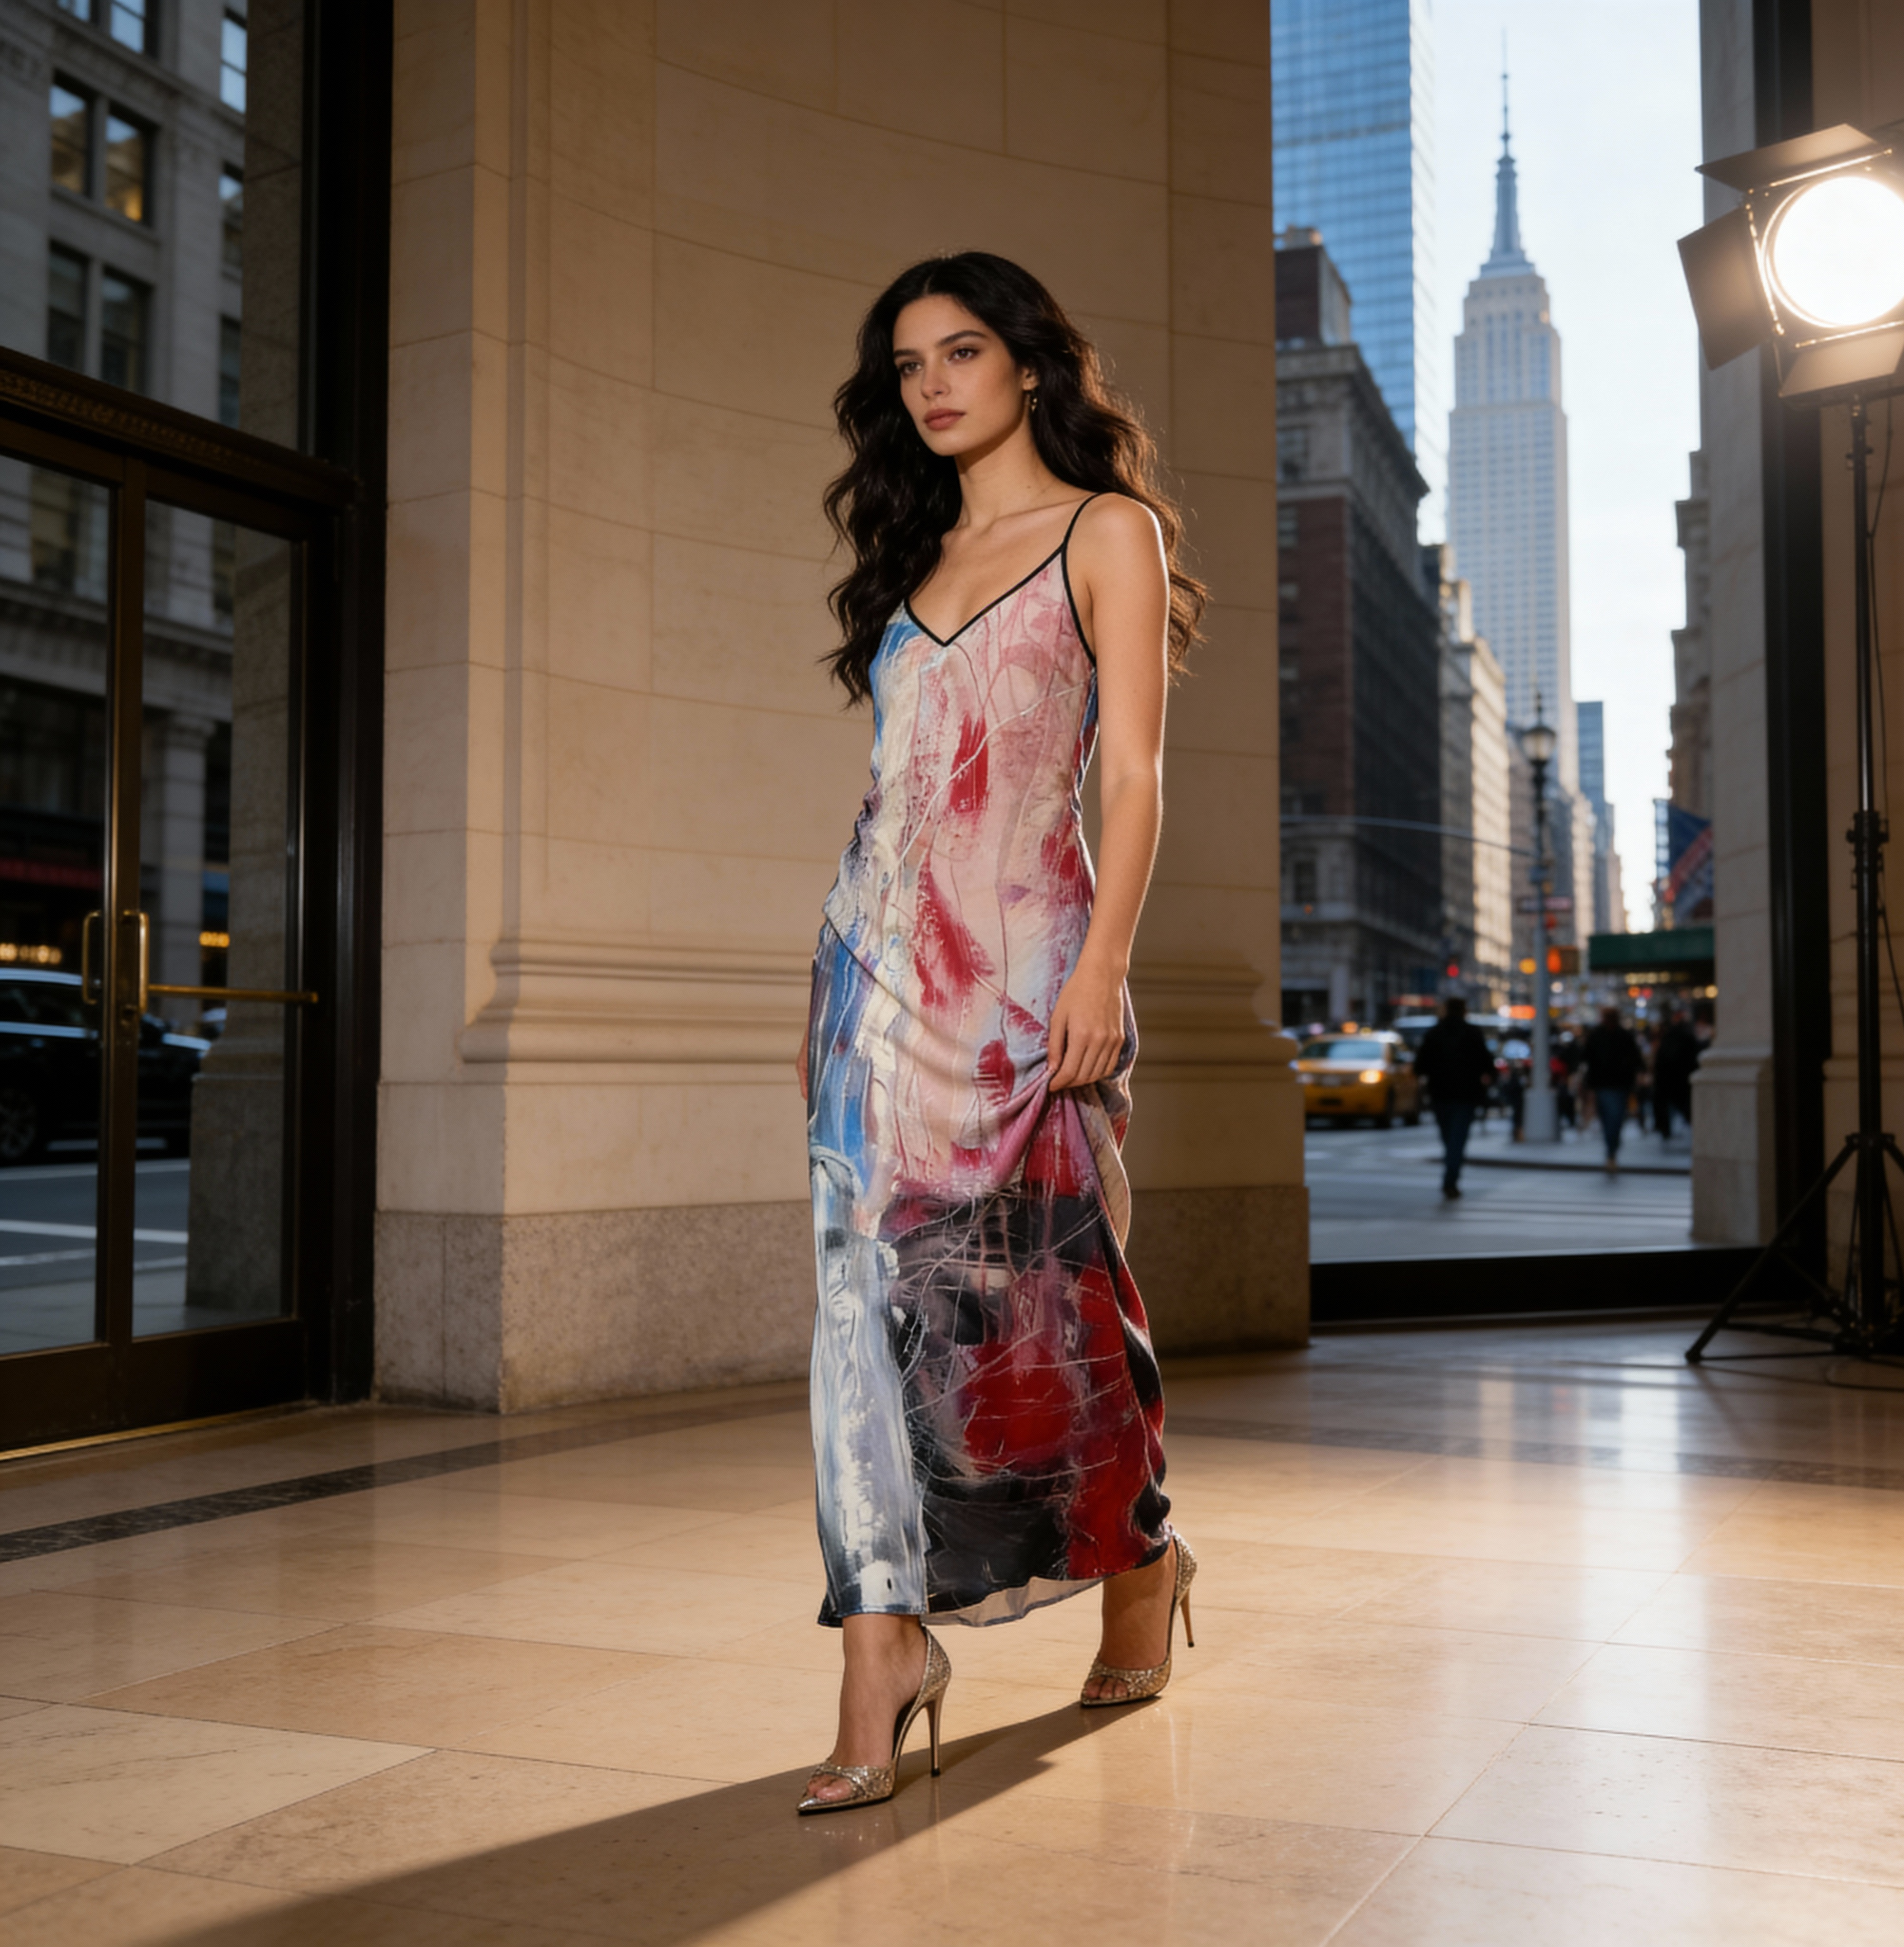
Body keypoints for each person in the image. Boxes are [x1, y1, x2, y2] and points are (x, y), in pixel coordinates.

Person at [795, 253, 1201, 1814]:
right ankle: (878, 1640)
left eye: (962, 350)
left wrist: (1104, 964)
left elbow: (1135, 779)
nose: (934, 383)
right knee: (856, 1308)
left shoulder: (1107, 531)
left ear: (1029, 364)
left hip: (1032, 981)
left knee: (1060, 1303)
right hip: (868, 978)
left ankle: (1141, 1565)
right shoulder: (911, 557)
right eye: (907, 365)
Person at [1413, 996, 1495, 1199]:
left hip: (1440, 1093)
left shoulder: (1434, 1034)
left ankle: (1451, 1176)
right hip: (1466, 1094)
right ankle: (1451, 1177)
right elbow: (1487, 1063)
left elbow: (1419, 1066)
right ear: (1464, 1011)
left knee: (1449, 1137)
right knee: (1457, 1139)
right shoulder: (1472, 1034)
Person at [1581, 1005, 1645, 1172]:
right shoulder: (1599, 1036)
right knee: (1609, 1119)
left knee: (1614, 1119)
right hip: (1605, 1084)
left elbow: (1635, 1059)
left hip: (1617, 1084)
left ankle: (1612, 1150)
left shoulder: (1621, 1036)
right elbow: (1588, 1058)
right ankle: (1612, 1148)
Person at [1653, 1008, 1702, 1138]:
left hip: (1669, 1078)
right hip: (1682, 1078)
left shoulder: (1669, 1038)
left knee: (1672, 1105)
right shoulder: (1687, 1037)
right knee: (1684, 1105)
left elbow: (1660, 1059)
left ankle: (1666, 1129)